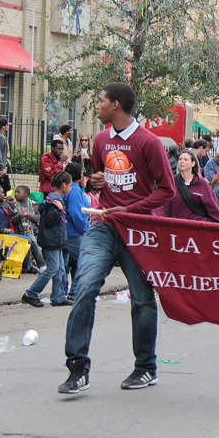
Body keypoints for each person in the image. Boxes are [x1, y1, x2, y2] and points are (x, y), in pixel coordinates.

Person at [59, 82, 175, 395]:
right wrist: (94, 183)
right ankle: (77, 368)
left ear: (116, 105)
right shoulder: (100, 140)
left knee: (142, 298)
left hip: (137, 230)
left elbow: (167, 190)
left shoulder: (148, 142)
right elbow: (97, 182)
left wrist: (130, 209)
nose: (96, 106)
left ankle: (145, 367)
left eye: (100, 101)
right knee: (84, 287)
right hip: (103, 225)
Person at [21, 171, 72, 308]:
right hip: (51, 240)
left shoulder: (55, 199)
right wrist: (59, 210)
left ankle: (58, 297)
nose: (70, 188)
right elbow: (50, 221)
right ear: (63, 184)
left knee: (60, 269)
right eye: (69, 185)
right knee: (53, 268)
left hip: (56, 240)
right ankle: (31, 293)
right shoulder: (53, 201)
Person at [154, 149, 219, 223]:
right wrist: (160, 221)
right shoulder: (171, 182)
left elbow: (214, 212)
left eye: (185, 159)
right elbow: (162, 205)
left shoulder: (202, 184)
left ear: (193, 163)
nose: (182, 161)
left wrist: (203, 223)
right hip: (175, 227)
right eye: (180, 159)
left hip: (195, 227)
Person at [62, 163, 89, 302]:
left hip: (64, 230)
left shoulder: (64, 188)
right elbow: (76, 213)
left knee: (64, 265)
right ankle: (74, 292)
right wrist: (84, 229)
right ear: (80, 176)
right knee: (84, 261)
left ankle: (61, 293)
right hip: (73, 232)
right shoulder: (74, 190)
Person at [12, 185, 45, 272]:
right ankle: (31, 265)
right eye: (16, 192)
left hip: (30, 230)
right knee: (28, 243)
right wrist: (18, 217)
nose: (16, 194)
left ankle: (41, 265)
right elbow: (12, 220)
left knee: (34, 243)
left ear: (25, 194)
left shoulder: (33, 204)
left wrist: (31, 216)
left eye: (18, 192)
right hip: (18, 231)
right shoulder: (14, 205)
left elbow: (37, 218)